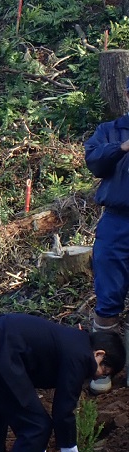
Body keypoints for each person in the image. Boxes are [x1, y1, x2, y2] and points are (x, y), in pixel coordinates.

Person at [0, 313, 124, 452]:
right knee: (37, 427)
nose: (97, 377)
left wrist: (35, 450)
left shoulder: (70, 340)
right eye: (104, 373)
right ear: (99, 354)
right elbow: (64, 409)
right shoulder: (81, 354)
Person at [84, 77, 129, 393]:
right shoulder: (109, 131)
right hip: (117, 223)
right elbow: (95, 162)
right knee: (108, 299)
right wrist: (124, 146)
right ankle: (101, 370)